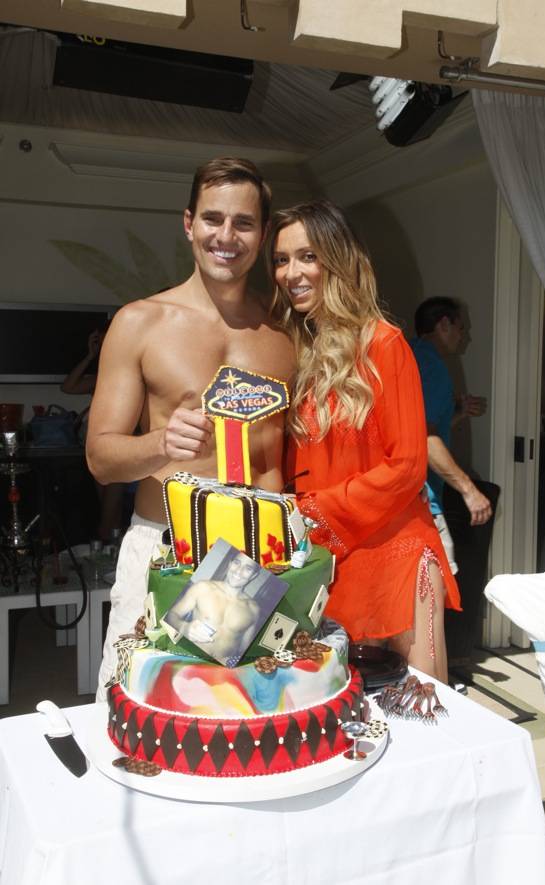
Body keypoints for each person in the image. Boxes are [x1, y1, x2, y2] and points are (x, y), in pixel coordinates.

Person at [86, 157, 295, 698]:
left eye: (243, 223)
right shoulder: (140, 322)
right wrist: (161, 443)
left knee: (246, 713)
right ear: (189, 223)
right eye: (212, 219)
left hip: (257, 557)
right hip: (165, 549)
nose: (226, 236)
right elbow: (101, 460)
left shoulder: (284, 332)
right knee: (135, 708)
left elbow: (290, 455)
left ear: (262, 235)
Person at [268, 200, 460, 682]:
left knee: (416, 707)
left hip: (394, 556)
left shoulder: (384, 343)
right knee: (342, 710)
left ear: (339, 260)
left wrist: (313, 514)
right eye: (281, 260)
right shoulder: (296, 351)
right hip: (326, 560)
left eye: (307, 256)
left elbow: (408, 465)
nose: (291, 273)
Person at [409, 297, 492, 573]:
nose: (464, 336)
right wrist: (469, 490)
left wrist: (457, 413)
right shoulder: (433, 367)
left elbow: (412, 428)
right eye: (461, 327)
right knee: (439, 589)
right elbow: (424, 437)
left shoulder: (410, 354)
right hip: (423, 502)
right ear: (444, 324)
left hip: (403, 500)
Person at [60, 325, 126, 543]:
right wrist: (90, 356)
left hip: (123, 440)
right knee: (107, 490)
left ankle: (107, 535)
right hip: (100, 439)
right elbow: (68, 387)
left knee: (113, 484)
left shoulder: (130, 373)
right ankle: (108, 537)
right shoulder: (103, 377)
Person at [163, 552, 260, 665]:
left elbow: (245, 648)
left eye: (248, 568)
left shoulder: (254, 609)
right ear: (230, 564)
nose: (239, 571)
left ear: (253, 575)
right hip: (192, 657)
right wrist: (184, 627)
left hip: (223, 667)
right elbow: (172, 614)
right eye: (237, 563)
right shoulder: (202, 587)